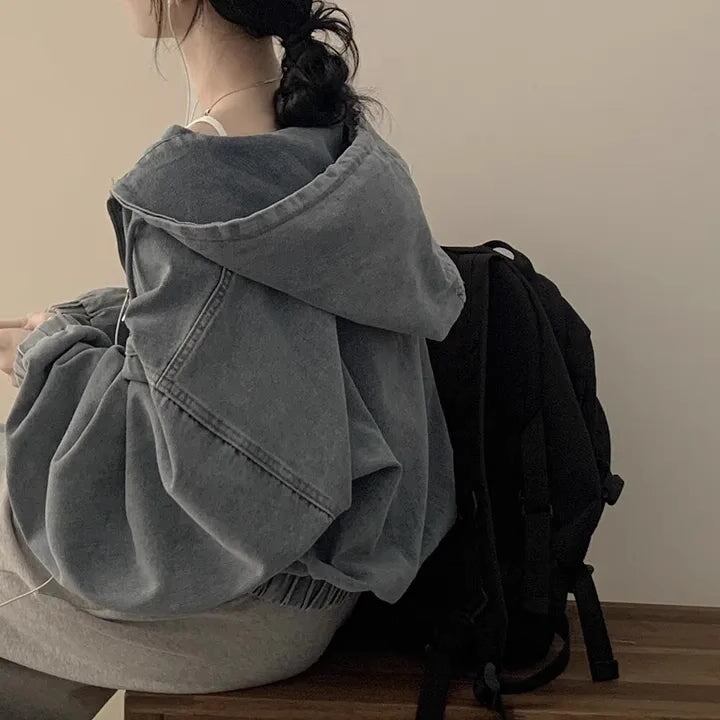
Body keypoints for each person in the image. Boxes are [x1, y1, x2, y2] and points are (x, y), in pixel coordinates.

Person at [0, 0, 466, 716]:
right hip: (323, 599)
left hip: (230, 613)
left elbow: (176, 486)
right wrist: (74, 327)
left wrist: (45, 357)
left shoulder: (189, 186)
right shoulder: (340, 151)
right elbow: (248, 370)